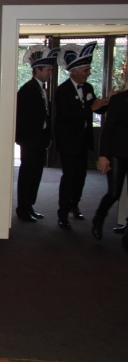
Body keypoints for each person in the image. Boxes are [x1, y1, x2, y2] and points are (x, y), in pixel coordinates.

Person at [54, 42, 109, 230]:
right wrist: (90, 108)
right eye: (86, 70)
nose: (89, 73)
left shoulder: (88, 88)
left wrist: (109, 102)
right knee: (69, 177)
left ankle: (74, 204)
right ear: (75, 71)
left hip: (83, 141)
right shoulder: (63, 90)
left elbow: (96, 109)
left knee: (81, 176)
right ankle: (62, 213)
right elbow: (67, 115)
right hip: (68, 142)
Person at [15, 46, 56, 222]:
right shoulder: (27, 90)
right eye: (48, 70)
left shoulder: (41, 89)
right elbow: (22, 117)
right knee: (28, 174)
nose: (50, 73)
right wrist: (23, 139)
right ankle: (22, 208)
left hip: (40, 140)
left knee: (36, 174)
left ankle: (30, 205)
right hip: (30, 141)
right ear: (37, 70)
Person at [92, 83, 128, 241]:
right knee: (114, 192)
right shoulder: (119, 100)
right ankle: (98, 219)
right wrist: (103, 155)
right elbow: (108, 129)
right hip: (117, 152)